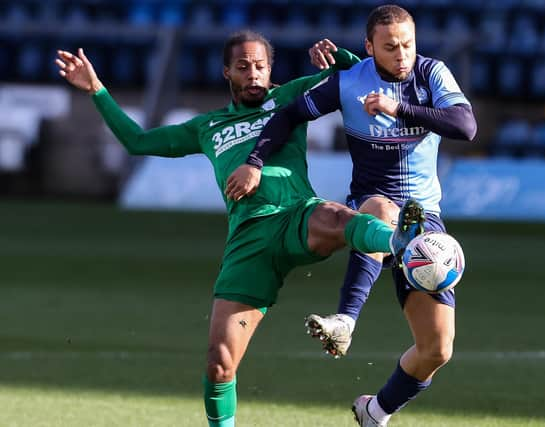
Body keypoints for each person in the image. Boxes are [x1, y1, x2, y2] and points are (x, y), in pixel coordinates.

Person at [56, 30, 425, 427]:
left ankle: (396, 241)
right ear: (226, 72)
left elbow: (362, 75)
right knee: (219, 364)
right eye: (244, 67)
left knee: (337, 217)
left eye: (261, 67)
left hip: (297, 215)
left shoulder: (287, 97)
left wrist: (340, 57)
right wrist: (96, 89)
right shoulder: (207, 126)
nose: (254, 74)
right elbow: (137, 141)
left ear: (271, 71)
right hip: (249, 243)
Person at [225, 5, 477, 426]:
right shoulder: (349, 82)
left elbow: (465, 126)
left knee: (437, 350)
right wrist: (254, 160)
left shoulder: (432, 73)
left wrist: (400, 110)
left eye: (408, 44)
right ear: (369, 48)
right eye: (390, 46)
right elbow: (288, 115)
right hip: (374, 202)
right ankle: (345, 319)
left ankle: (374, 412)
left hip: (425, 219)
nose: (402, 54)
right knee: (381, 210)